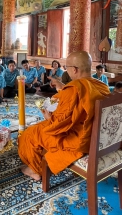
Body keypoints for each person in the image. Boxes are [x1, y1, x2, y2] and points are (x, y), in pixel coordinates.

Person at [18, 51, 110, 180]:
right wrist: (63, 88)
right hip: (98, 137)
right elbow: (82, 100)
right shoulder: (102, 85)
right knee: (40, 127)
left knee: (30, 133)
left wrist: (49, 118)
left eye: (67, 68)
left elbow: (58, 123)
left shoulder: (74, 88)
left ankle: (35, 169)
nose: (66, 71)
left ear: (75, 69)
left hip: (79, 140)